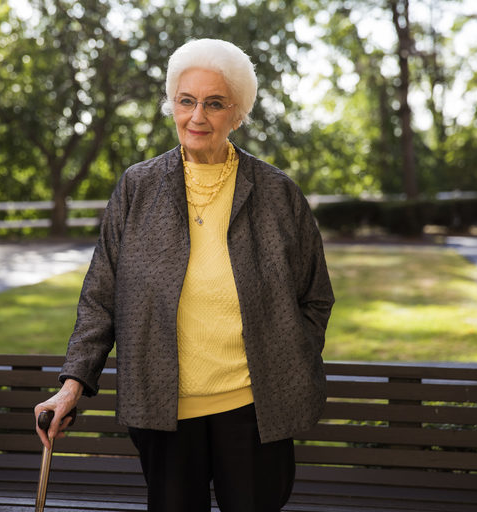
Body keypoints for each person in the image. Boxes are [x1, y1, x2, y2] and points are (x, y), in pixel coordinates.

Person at [34, 38, 334, 512]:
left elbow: (315, 297)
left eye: (214, 104)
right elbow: (101, 297)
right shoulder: (138, 187)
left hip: (254, 409)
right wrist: (73, 383)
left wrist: (285, 358)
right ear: (172, 104)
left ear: (237, 113)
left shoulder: (278, 193)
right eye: (186, 100)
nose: (197, 117)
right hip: (164, 410)